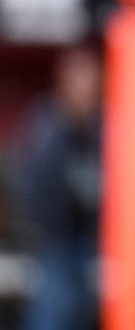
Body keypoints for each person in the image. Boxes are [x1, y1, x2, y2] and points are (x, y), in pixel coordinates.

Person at [15, 49, 101, 330]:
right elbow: (39, 176)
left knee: (79, 309)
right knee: (52, 309)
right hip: (53, 236)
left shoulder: (99, 123)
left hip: (89, 236)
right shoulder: (47, 119)